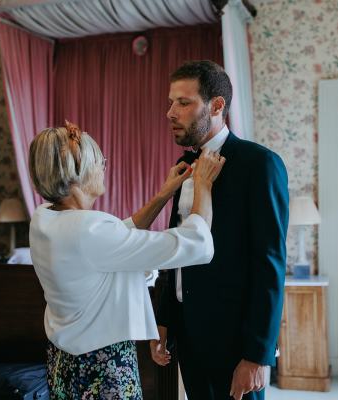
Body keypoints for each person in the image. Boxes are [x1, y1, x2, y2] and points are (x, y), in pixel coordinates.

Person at [28, 120, 225, 399]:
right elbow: (195, 244)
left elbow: (115, 238)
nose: (103, 168)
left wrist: (163, 194)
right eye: (100, 161)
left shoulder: (43, 217)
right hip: (102, 366)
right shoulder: (90, 231)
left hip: (63, 361)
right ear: (79, 172)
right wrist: (203, 185)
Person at [151, 61, 289, 400]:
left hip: (236, 339)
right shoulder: (185, 167)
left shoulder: (259, 164)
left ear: (216, 106)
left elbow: (270, 264)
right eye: (171, 102)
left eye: (183, 102)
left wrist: (258, 354)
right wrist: (165, 319)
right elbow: (177, 252)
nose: (171, 112)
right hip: (188, 331)